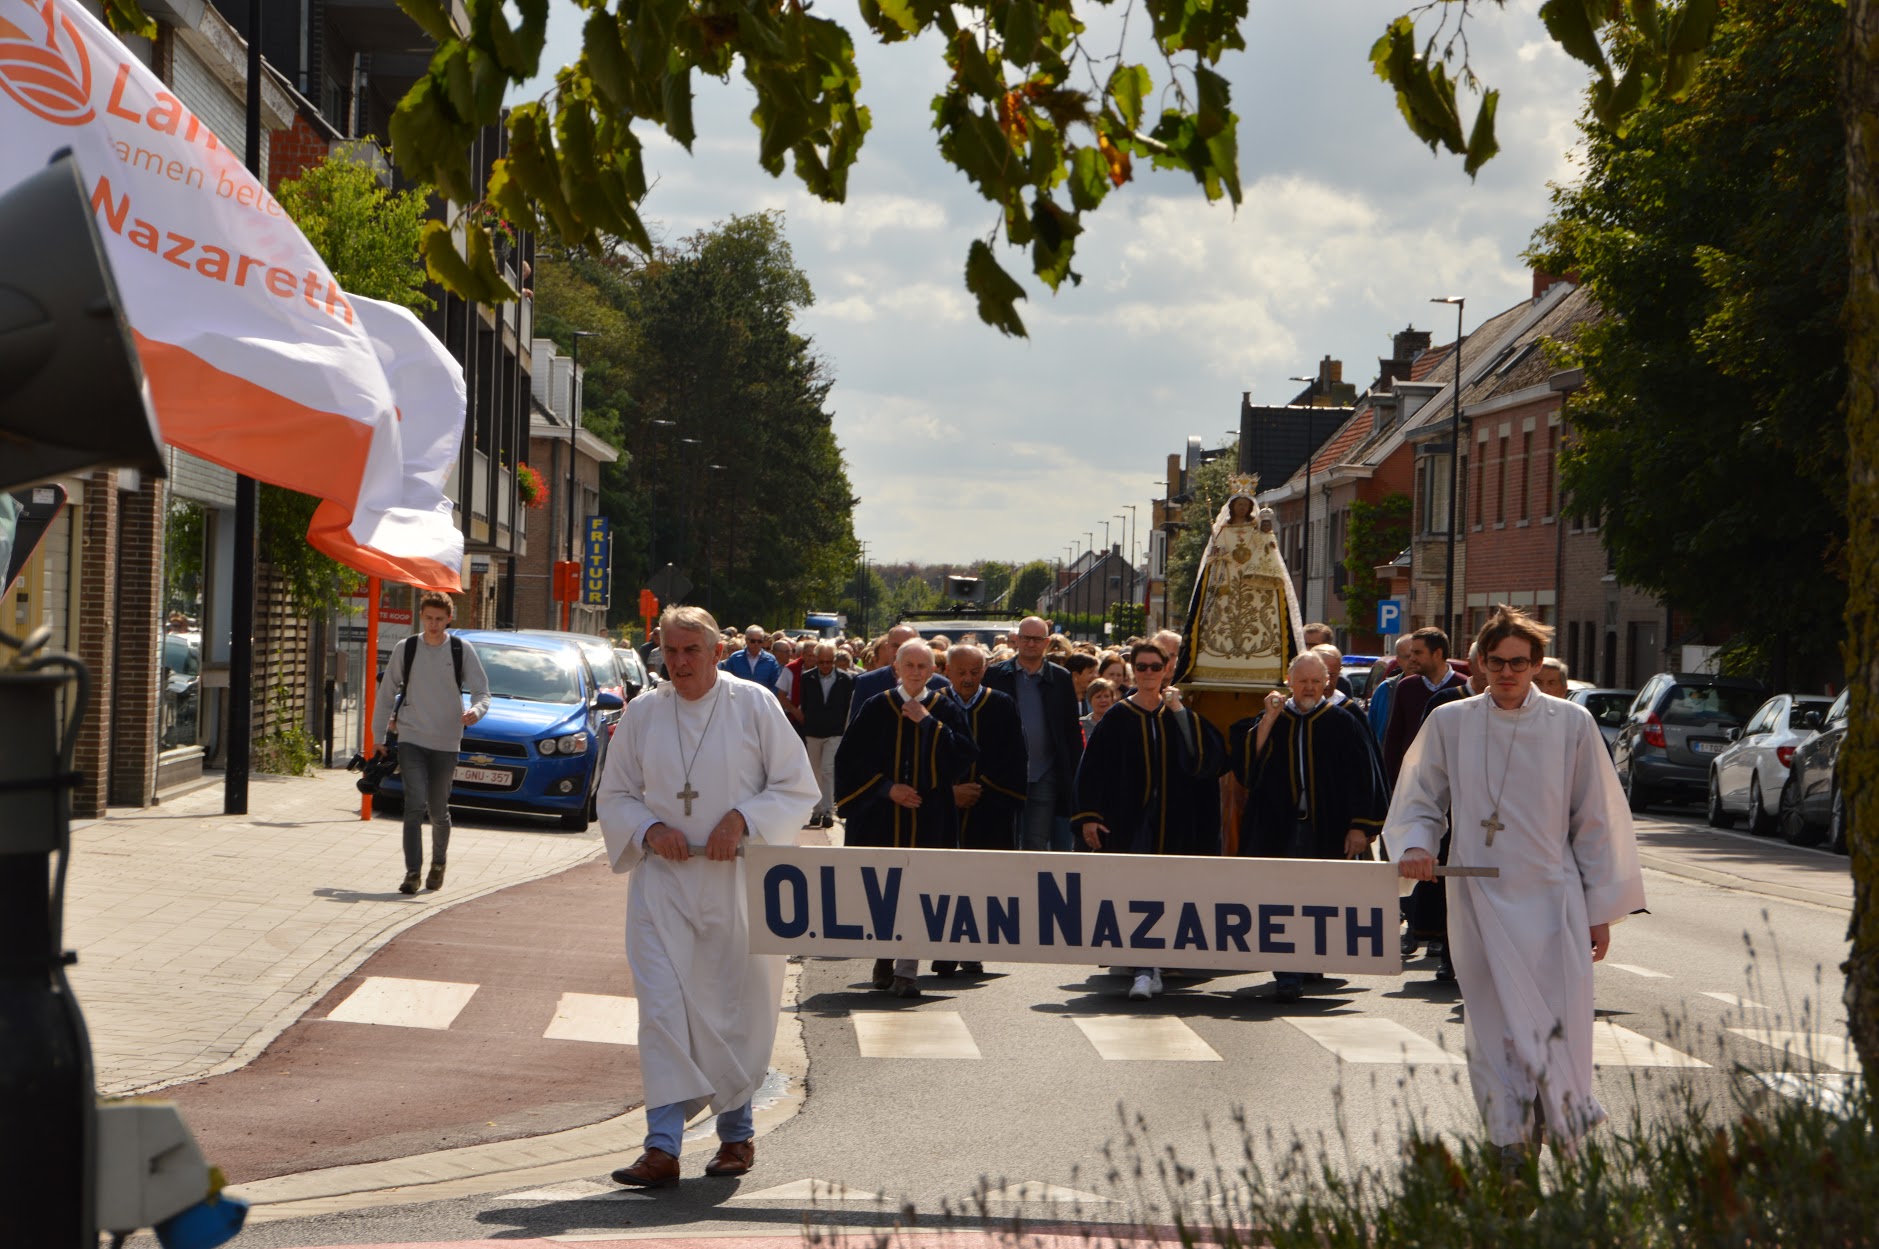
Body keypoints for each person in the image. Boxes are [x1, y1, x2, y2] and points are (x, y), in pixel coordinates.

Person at [1386, 605, 1644, 1171]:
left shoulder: (1570, 725)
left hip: (1554, 897)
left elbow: (1596, 819)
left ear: (1536, 664)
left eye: (1519, 663)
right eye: (1497, 662)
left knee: (1558, 1017)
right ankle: (1510, 1140)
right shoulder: (1450, 722)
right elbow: (1419, 796)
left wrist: (1600, 909)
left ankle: (1555, 1109)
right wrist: (1415, 846)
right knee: (1492, 1019)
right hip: (1478, 895)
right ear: (1478, 662)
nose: (1508, 674)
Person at [597, 605, 820, 1187]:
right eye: (669, 652)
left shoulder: (754, 704)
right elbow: (615, 791)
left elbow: (797, 785)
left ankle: (735, 1136)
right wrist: (648, 829)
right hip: (662, 889)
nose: (679, 663)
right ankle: (662, 1147)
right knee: (664, 1013)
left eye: (691, 651)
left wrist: (742, 820)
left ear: (717, 652)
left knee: (731, 1010)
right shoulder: (644, 712)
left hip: (735, 887)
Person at [1074, 640, 1228, 1000]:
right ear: (1132, 672)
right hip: (1130, 822)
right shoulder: (1118, 716)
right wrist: (1089, 818)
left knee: (1170, 893)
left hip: (1176, 822)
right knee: (1136, 893)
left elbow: (1208, 760)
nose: (1147, 674)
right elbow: (1092, 771)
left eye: (1154, 668)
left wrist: (1179, 712)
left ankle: (1155, 963)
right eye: (1140, 668)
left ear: (1165, 671)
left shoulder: (1178, 713)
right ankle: (1144, 967)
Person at [1231, 651, 1387, 1001]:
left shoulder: (1342, 720)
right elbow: (1247, 769)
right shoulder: (1273, 718)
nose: (1310, 688)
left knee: (1319, 897)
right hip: (1279, 827)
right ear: (1289, 682)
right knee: (1282, 898)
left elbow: (1364, 777)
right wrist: (1269, 718)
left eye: (1317, 681)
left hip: (1326, 827)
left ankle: (1310, 958)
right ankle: (1288, 972)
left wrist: (1360, 827)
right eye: (1303, 681)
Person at [835, 638, 979, 997]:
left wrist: (929, 722)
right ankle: (884, 956)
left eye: (923, 666)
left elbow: (965, 754)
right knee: (883, 889)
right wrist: (887, 789)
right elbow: (849, 761)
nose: (915, 672)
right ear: (895, 668)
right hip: (882, 816)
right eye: (909, 665)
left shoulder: (944, 709)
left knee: (921, 889)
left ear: (933, 671)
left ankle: (907, 970)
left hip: (931, 816)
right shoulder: (875, 707)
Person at [372, 591, 491, 896]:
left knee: (438, 809)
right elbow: (386, 693)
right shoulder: (407, 648)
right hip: (412, 736)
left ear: (449, 619)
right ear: (421, 616)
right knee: (414, 805)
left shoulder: (459, 649)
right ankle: (412, 873)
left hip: (447, 739)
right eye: (428, 618)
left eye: (439, 619)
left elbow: (482, 692)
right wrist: (378, 737)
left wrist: (475, 712)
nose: (434, 624)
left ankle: (438, 863)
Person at [938, 642, 1027, 976]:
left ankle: (974, 948)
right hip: (943, 809)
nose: (968, 678)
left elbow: (1015, 757)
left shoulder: (1001, 705)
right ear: (947, 671)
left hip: (989, 807)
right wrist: (950, 792)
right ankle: (943, 950)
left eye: (975, 672)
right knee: (943, 883)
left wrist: (981, 789)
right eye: (961, 672)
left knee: (980, 883)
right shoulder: (934, 704)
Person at [983, 616, 1085, 852]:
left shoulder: (1060, 678)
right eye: (1025, 638)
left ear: (1046, 642)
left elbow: (1070, 730)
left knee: (1035, 844)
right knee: (1003, 840)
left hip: (1045, 774)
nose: (1030, 644)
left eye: (1036, 639)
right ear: (1016, 640)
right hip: (1003, 776)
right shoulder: (995, 676)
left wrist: (1072, 775)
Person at [1382, 627, 1466, 789]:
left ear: (1437, 654)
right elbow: (1394, 738)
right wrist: (1391, 784)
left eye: (1418, 653)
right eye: (1411, 653)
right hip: (1413, 781)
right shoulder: (1406, 687)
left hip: (1453, 782)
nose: (1412, 659)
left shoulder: (1463, 688)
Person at [846, 623, 948, 726]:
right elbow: (855, 732)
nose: (900, 650)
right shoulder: (866, 683)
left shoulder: (941, 686)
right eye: (895, 646)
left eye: (907, 644)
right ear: (887, 647)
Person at [798, 642, 853, 829]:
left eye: (829, 662)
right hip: (813, 731)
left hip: (834, 732)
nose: (826, 666)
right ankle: (816, 810)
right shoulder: (807, 678)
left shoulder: (845, 680)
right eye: (822, 662)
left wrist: (843, 728)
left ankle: (828, 811)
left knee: (828, 770)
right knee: (814, 772)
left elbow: (847, 706)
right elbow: (804, 704)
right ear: (816, 661)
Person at [1367, 636, 1415, 744]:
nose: (1413, 660)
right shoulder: (1385, 690)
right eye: (1407, 657)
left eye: (1416, 654)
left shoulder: (1432, 689)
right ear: (1399, 661)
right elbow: (1371, 732)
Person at [721, 625, 781, 689]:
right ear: (746, 640)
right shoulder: (735, 658)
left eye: (759, 641)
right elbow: (727, 682)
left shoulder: (771, 660)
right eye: (753, 641)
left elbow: (775, 685)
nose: (756, 644)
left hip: (762, 698)